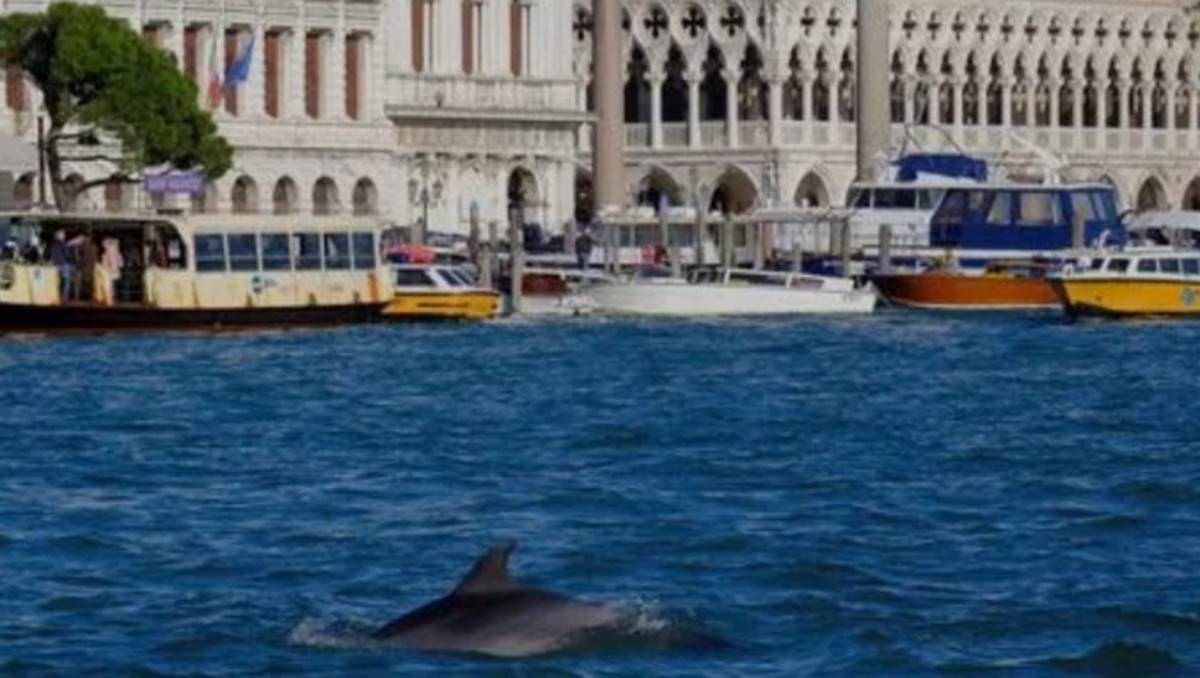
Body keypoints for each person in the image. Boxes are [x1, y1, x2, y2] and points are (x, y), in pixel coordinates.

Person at [48, 230, 71, 302]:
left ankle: (56, 295)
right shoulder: (64, 244)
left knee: (56, 281)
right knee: (67, 281)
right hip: (64, 264)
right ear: (60, 236)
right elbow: (67, 255)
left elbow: (49, 254)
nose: (64, 236)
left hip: (55, 265)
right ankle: (65, 297)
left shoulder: (52, 245)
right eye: (63, 235)